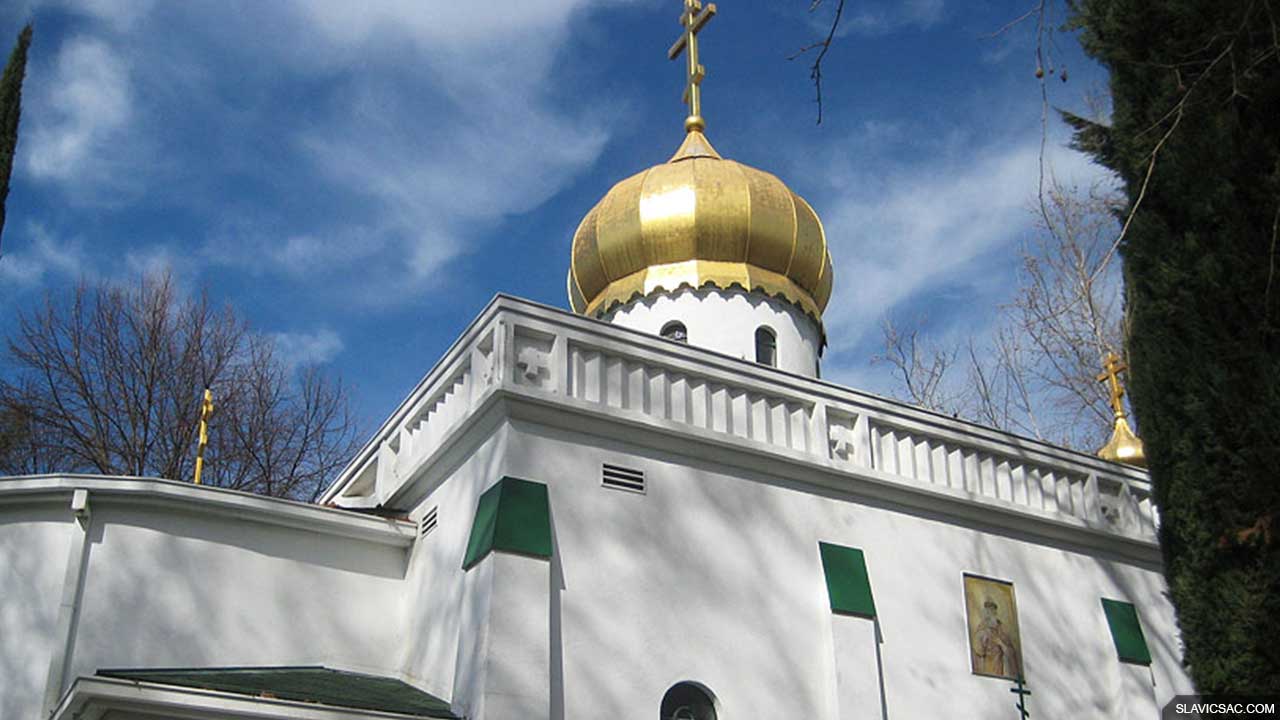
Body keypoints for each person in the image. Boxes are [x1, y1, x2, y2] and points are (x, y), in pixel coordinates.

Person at [973, 597, 1020, 677]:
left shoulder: (1002, 628)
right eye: (987, 612)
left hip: (1000, 665)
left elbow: (1011, 651)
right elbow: (978, 650)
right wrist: (982, 638)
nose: (988, 614)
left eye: (991, 611)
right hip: (986, 666)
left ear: (995, 612)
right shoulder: (981, 628)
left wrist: (1000, 643)